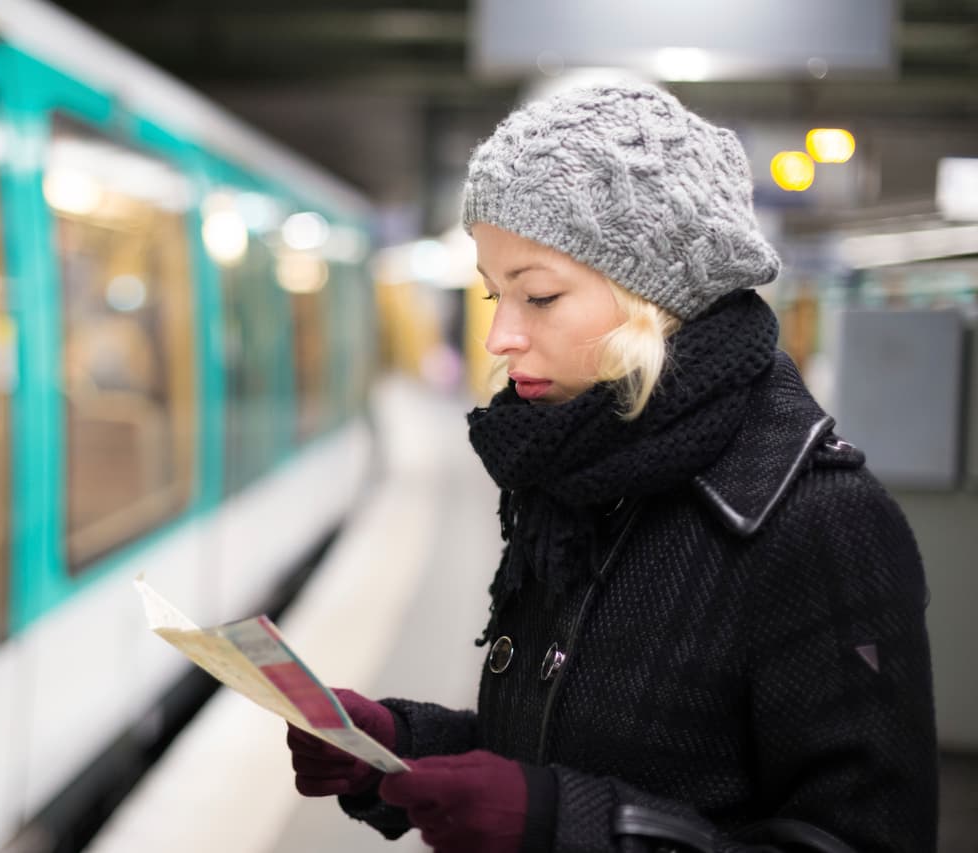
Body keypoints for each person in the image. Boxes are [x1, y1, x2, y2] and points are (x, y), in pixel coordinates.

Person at [283, 83, 937, 853]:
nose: (498, 337)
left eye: (538, 296)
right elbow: (580, 746)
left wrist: (564, 827)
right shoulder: (581, 474)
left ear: (656, 296)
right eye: (494, 294)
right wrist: (406, 744)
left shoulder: (820, 522)